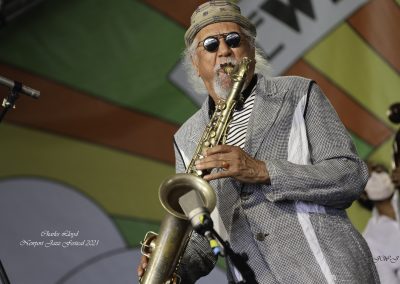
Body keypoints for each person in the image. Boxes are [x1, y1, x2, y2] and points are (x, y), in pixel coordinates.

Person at [138, 1, 379, 283]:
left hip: (326, 271)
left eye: (233, 40)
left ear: (251, 50)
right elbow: (203, 237)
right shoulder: (186, 138)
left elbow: (350, 176)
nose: (225, 51)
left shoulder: (299, 93)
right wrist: (170, 265)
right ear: (195, 62)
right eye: (211, 45)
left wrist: (264, 171)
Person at [362, 165, 400, 284]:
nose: (376, 177)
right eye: (369, 177)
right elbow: (388, 280)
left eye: (378, 170)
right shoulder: (370, 238)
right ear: (363, 194)